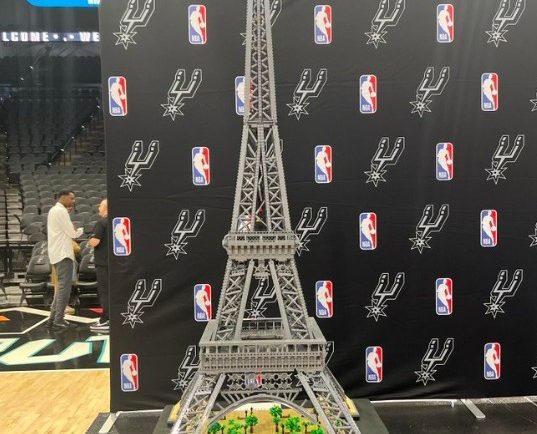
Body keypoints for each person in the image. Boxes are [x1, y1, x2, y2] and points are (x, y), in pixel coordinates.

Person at [47, 190, 83, 331]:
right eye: (71, 198)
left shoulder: (53, 210)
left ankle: (52, 319)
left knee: (61, 289)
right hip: (63, 254)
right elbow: (73, 233)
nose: (73, 201)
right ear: (63, 197)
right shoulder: (61, 211)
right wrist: (80, 230)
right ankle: (59, 320)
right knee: (64, 289)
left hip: (57, 254)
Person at [89, 199, 109, 333]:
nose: (98, 208)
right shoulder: (117, 221)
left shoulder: (101, 223)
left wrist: (89, 240)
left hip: (103, 263)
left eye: (100, 205)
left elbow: (94, 242)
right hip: (115, 263)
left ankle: (107, 320)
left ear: (106, 207)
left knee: (105, 293)